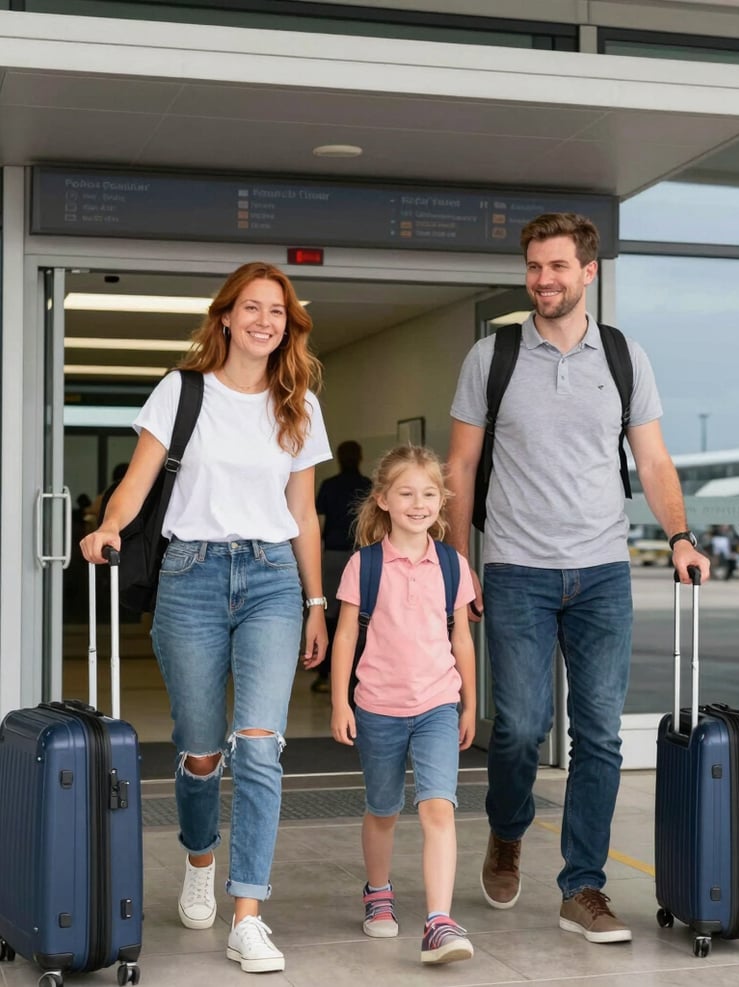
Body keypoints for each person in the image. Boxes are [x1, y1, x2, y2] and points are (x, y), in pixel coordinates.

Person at [445, 212, 711, 945]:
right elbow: (460, 466)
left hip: (602, 571)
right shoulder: (492, 355)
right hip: (516, 568)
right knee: (522, 727)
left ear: (588, 271)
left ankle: (582, 886)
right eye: (534, 266)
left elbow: (652, 463)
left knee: (599, 735)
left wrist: (681, 536)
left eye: (557, 266)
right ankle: (507, 830)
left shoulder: (624, 356)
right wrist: (453, 559)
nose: (543, 280)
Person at [80, 261, 332, 974]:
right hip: (190, 576)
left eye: (277, 311)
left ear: (290, 324)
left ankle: (248, 910)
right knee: (199, 750)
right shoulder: (181, 390)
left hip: (273, 579)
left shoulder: (300, 403)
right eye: (251, 307)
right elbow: (136, 481)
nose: (264, 320)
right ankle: (199, 857)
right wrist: (107, 527)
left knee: (259, 744)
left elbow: (305, 512)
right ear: (225, 316)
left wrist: (317, 602)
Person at [330, 445, 477, 965]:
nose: (419, 503)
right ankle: (378, 892)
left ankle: (439, 920)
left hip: (438, 701)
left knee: (438, 806)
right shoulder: (364, 565)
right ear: (384, 500)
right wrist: (341, 703)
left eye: (430, 493)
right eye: (407, 493)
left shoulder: (454, 565)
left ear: (442, 500)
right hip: (378, 706)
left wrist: (469, 703)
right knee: (384, 809)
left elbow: (462, 639)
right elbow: (346, 636)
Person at [311, 439, 372, 693]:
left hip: (335, 554)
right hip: (362, 554)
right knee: (360, 616)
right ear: (360, 457)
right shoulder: (368, 486)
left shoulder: (329, 486)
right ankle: (357, 672)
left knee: (331, 614)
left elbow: (318, 525)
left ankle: (325, 674)